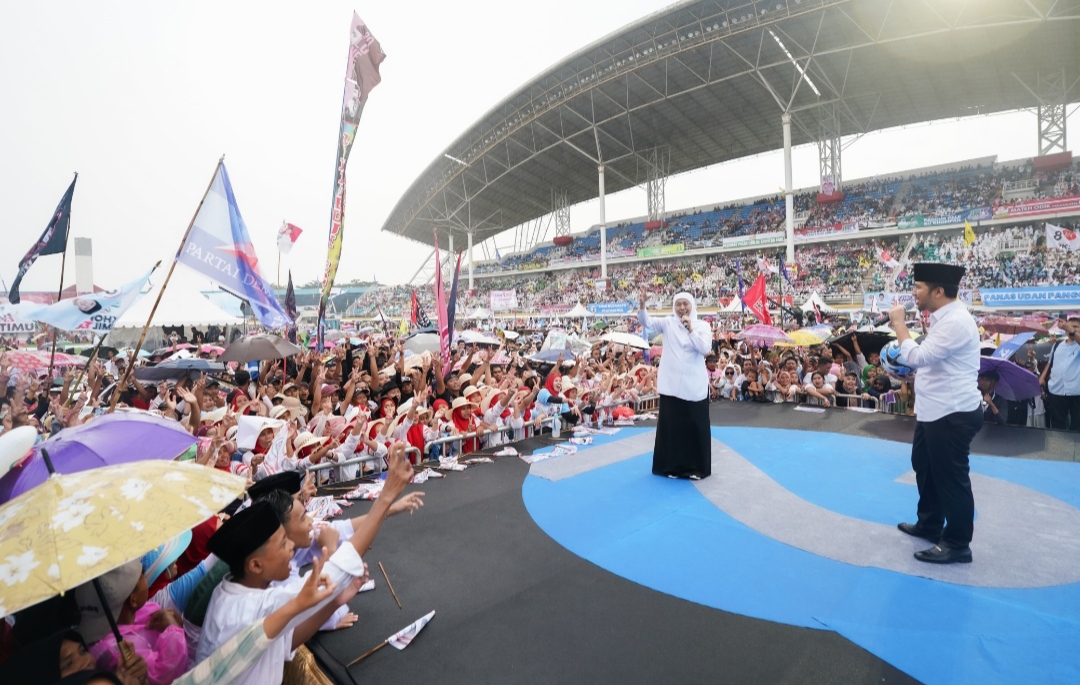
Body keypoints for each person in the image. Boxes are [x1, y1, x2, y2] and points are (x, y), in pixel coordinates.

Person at [888, 262, 982, 565]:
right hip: (934, 411)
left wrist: (900, 325)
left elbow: (917, 357)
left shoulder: (956, 321)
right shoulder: (944, 319)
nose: (913, 293)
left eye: (918, 287)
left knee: (951, 477)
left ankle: (957, 543)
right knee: (924, 466)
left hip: (951, 413)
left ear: (938, 291)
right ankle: (930, 524)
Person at [638, 290, 712, 480]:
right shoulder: (668, 323)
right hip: (671, 385)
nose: (681, 308)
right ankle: (671, 467)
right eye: (678, 304)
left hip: (694, 385)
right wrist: (642, 305)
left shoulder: (702, 325)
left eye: (685, 304)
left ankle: (696, 468)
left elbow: (705, 348)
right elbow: (646, 322)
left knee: (694, 426)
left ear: (692, 305)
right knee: (673, 428)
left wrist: (690, 330)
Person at [1040, 316, 1080, 431]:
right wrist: (1042, 378)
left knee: (1077, 425)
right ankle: (1059, 448)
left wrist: (1073, 332)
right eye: (1069, 326)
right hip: (1057, 390)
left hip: (1076, 392)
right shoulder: (1057, 345)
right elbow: (1050, 363)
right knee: (1058, 425)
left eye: (1076, 327)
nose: (1071, 329)